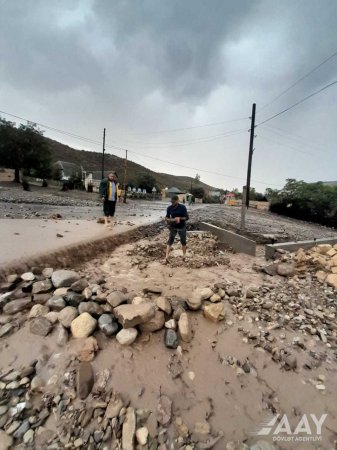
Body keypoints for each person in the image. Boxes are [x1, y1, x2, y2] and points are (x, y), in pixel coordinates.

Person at [165, 195, 189, 261]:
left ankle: (184, 256)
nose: (172, 203)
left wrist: (179, 218)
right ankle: (166, 257)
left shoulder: (182, 207)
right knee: (170, 240)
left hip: (182, 226)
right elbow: (166, 217)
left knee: (183, 241)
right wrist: (170, 220)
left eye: (173, 202)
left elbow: (186, 217)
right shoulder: (169, 208)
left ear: (177, 201)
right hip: (173, 227)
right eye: (171, 202)